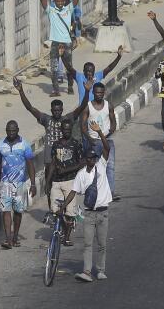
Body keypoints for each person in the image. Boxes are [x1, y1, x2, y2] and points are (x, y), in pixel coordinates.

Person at [13, 76, 89, 210]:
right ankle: (52, 211)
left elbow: (82, 106)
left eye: (59, 110)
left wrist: (87, 91)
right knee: (49, 186)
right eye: (55, 110)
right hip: (49, 160)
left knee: (68, 186)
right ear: (51, 110)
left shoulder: (68, 119)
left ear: (62, 109)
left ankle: (68, 210)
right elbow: (30, 108)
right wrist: (20, 91)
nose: (57, 112)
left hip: (67, 159)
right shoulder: (46, 120)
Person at [60, 121, 112, 283]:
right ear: (85, 159)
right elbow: (73, 192)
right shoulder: (81, 174)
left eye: (93, 157)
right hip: (89, 214)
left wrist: (100, 132)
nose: (91, 160)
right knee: (88, 245)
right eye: (88, 158)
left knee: (102, 244)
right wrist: (64, 205)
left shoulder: (101, 166)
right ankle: (87, 272)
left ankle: (101, 270)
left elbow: (107, 148)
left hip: (103, 212)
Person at [37, 0, 84, 97]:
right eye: (57, 1)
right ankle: (56, 90)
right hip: (55, 43)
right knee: (54, 68)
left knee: (69, 68)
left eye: (61, 1)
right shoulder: (51, 10)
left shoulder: (68, 9)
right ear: (55, 1)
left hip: (66, 43)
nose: (59, 3)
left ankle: (69, 87)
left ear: (64, 1)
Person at [0, 120, 37, 249]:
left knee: (18, 211)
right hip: (5, 183)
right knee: (6, 210)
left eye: (13, 130)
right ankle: (8, 239)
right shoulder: (0, 144)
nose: (11, 133)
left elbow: (30, 164)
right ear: (6, 130)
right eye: (9, 131)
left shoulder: (24, 144)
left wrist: (33, 183)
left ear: (18, 130)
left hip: (19, 184)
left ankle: (15, 237)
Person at [48, 119, 85, 246]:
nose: (67, 131)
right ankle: (64, 228)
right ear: (61, 130)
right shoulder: (56, 144)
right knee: (55, 210)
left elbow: (81, 163)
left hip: (70, 181)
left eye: (69, 129)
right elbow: (53, 163)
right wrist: (48, 182)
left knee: (69, 212)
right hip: (56, 182)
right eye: (65, 129)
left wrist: (66, 170)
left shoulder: (76, 144)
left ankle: (67, 237)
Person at [80, 82, 118, 199]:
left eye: (101, 92)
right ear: (93, 93)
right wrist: (89, 138)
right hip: (93, 142)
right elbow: (82, 126)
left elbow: (113, 122)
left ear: (104, 93)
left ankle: (111, 192)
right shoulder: (88, 106)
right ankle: (93, 193)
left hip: (107, 140)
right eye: (97, 92)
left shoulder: (108, 105)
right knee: (94, 168)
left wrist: (110, 131)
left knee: (110, 166)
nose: (99, 95)